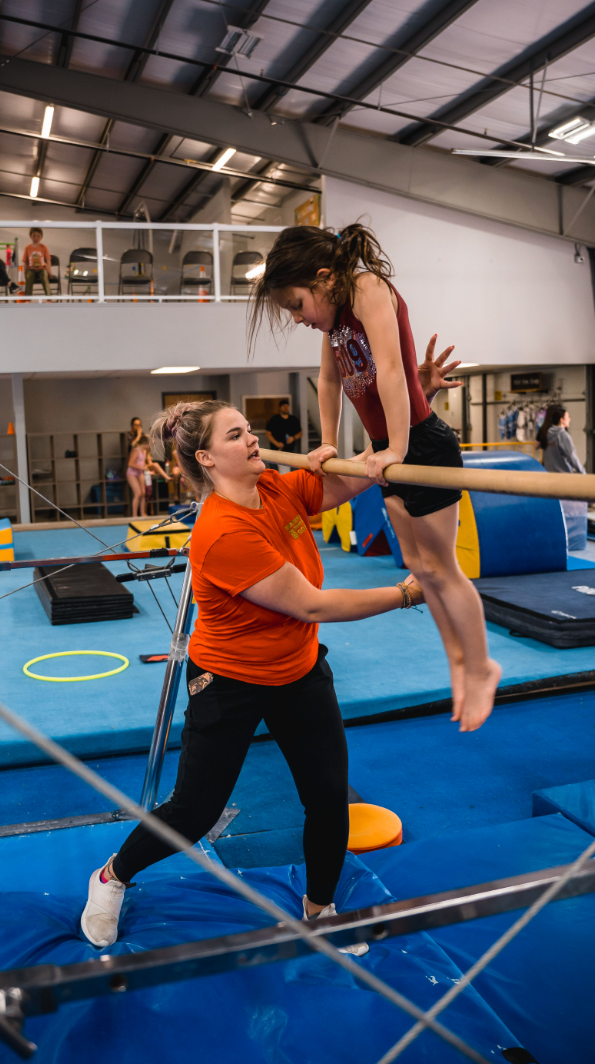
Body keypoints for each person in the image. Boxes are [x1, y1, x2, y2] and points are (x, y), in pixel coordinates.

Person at [80, 399, 425, 948]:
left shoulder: (275, 489)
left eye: (249, 429)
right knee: (195, 811)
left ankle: (319, 908)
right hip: (230, 680)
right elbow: (312, 605)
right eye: (237, 434)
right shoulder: (221, 532)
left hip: (298, 668)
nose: (253, 439)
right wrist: (407, 592)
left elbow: (343, 485)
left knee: (329, 794)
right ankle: (112, 876)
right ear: (208, 459)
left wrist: (396, 422)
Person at [250, 224, 499, 734]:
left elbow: (388, 369)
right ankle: (455, 658)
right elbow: (327, 379)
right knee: (418, 567)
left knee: (442, 568)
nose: (298, 318)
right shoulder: (333, 320)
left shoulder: (366, 289)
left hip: (421, 445)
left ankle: (481, 665)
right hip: (385, 453)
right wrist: (327, 444)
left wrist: (397, 449)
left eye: (297, 305)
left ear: (322, 278)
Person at [537, 404, 587, 550]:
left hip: (549, 477)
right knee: (567, 515)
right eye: (567, 417)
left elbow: (538, 447)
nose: (570, 419)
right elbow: (572, 458)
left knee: (553, 514)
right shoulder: (562, 434)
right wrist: (583, 474)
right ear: (561, 420)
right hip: (564, 479)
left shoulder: (546, 433)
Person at [265, 399, 303, 471]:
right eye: (283, 406)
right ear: (280, 407)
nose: (286, 407)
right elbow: (268, 434)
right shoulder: (274, 419)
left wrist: (293, 438)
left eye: (287, 405)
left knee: (290, 472)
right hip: (276, 451)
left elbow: (300, 433)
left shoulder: (293, 419)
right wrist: (276, 443)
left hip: (289, 451)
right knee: (275, 471)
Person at [23, 228, 52, 297]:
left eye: (38, 236)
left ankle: (49, 298)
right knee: (29, 277)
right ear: (30, 236)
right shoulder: (27, 248)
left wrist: (49, 272)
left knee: (44, 277)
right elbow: (25, 261)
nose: (36, 238)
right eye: (34, 236)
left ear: (41, 237)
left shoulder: (44, 247)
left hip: (42, 268)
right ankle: (28, 298)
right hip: (31, 269)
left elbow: (48, 260)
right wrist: (25, 273)